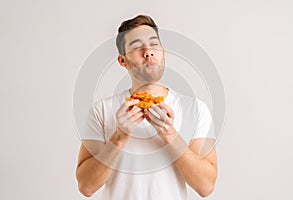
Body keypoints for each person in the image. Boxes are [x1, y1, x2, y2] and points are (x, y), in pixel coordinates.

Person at [76, 15, 218, 200]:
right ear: (122, 61)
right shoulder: (102, 110)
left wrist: (170, 135)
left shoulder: (196, 109)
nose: (148, 52)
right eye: (136, 47)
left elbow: (206, 186)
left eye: (154, 44)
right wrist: (119, 138)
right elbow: (86, 186)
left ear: (163, 53)